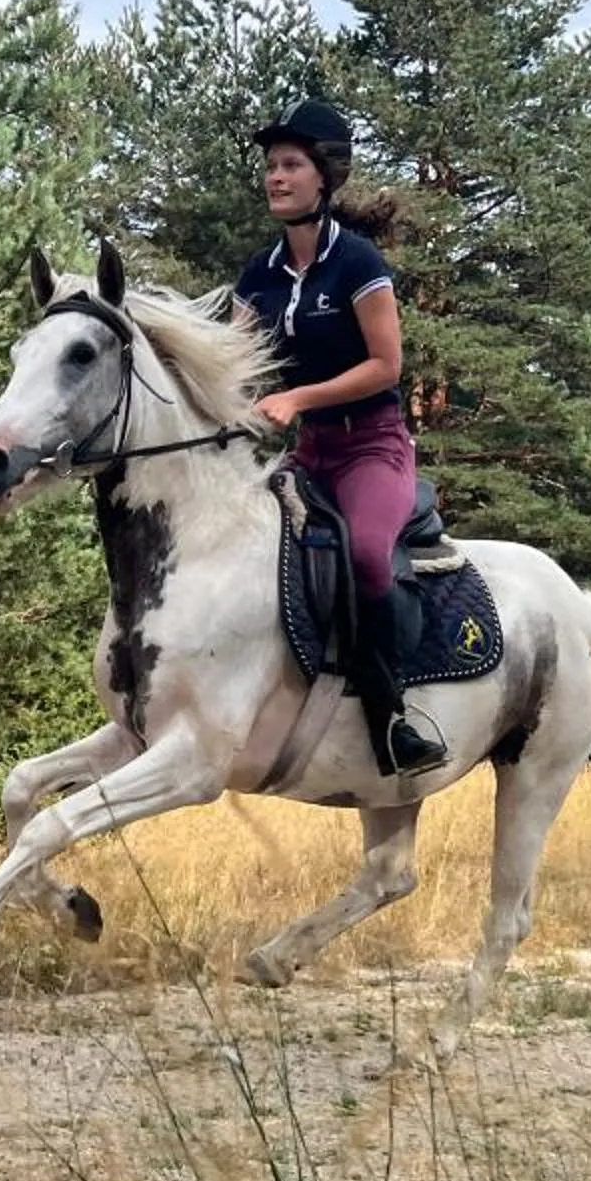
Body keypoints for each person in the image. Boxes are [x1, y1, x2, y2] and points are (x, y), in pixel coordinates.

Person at [234, 98, 447, 775]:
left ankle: (393, 721)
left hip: (370, 447)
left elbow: (387, 366)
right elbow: (236, 365)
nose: (275, 177)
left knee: (363, 555)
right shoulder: (258, 276)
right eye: (270, 166)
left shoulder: (357, 263)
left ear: (324, 177)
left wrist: (297, 396)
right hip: (307, 453)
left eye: (290, 165)